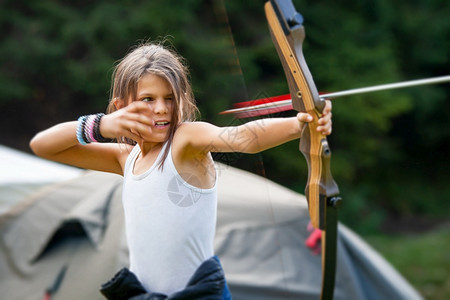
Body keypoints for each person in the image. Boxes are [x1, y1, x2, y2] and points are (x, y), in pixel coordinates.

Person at [30, 42, 333, 299]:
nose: (161, 108)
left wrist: (301, 125)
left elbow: (242, 138)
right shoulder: (126, 158)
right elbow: (43, 145)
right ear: (121, 106)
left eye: (169, 99)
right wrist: (102, 125)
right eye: (148, 99)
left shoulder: (186, 141)